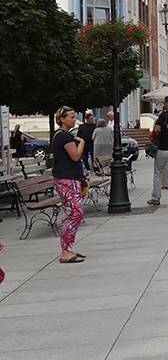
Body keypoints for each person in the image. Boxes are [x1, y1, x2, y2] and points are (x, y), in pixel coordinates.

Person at [51, 106, 86, 263]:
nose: (74, 119)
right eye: (71, 117)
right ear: (62, 119)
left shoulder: (63, 135)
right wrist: (83, 143)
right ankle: (65, 251)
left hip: (68, 179)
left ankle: (68, 248)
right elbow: (75, 156)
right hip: (66, 179)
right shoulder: (64, 136)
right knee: (74, 213)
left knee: (71, 213)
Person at [76, 111, 96, 176]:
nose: (92, 120)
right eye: (90, 119)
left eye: (92, 119)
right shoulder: (82, 126)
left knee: (94, 156)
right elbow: (78, 135)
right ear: (87, 119)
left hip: (92, 143)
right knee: (85, 157)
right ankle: (88, 168)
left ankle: (95, 168)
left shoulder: (95, 126)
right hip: (84, 144)